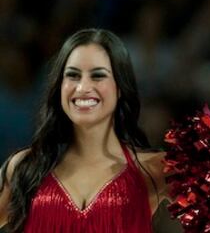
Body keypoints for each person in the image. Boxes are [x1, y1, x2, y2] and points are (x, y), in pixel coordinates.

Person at [0, 29, 168, 232]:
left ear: (120, 88)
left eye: (98, 76)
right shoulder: (24, 168)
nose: (83, 87)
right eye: (73, 75)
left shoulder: (154, 169)